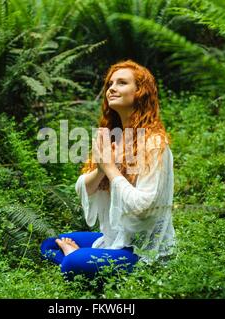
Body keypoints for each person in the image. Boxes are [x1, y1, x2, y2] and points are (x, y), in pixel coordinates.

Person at [40, 60, 175, 280]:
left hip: (142, 250)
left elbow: (143, 207)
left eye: (122, 83)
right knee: (50, 245)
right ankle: (83, 259)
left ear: (141, 92)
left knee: (74, 261)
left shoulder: (154, 143)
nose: (112, 88)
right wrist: (102, 169)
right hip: (115, 237)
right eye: (110, 83)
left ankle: (78, 260)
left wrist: (111, 169)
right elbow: (83, 187)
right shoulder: (113, 137)